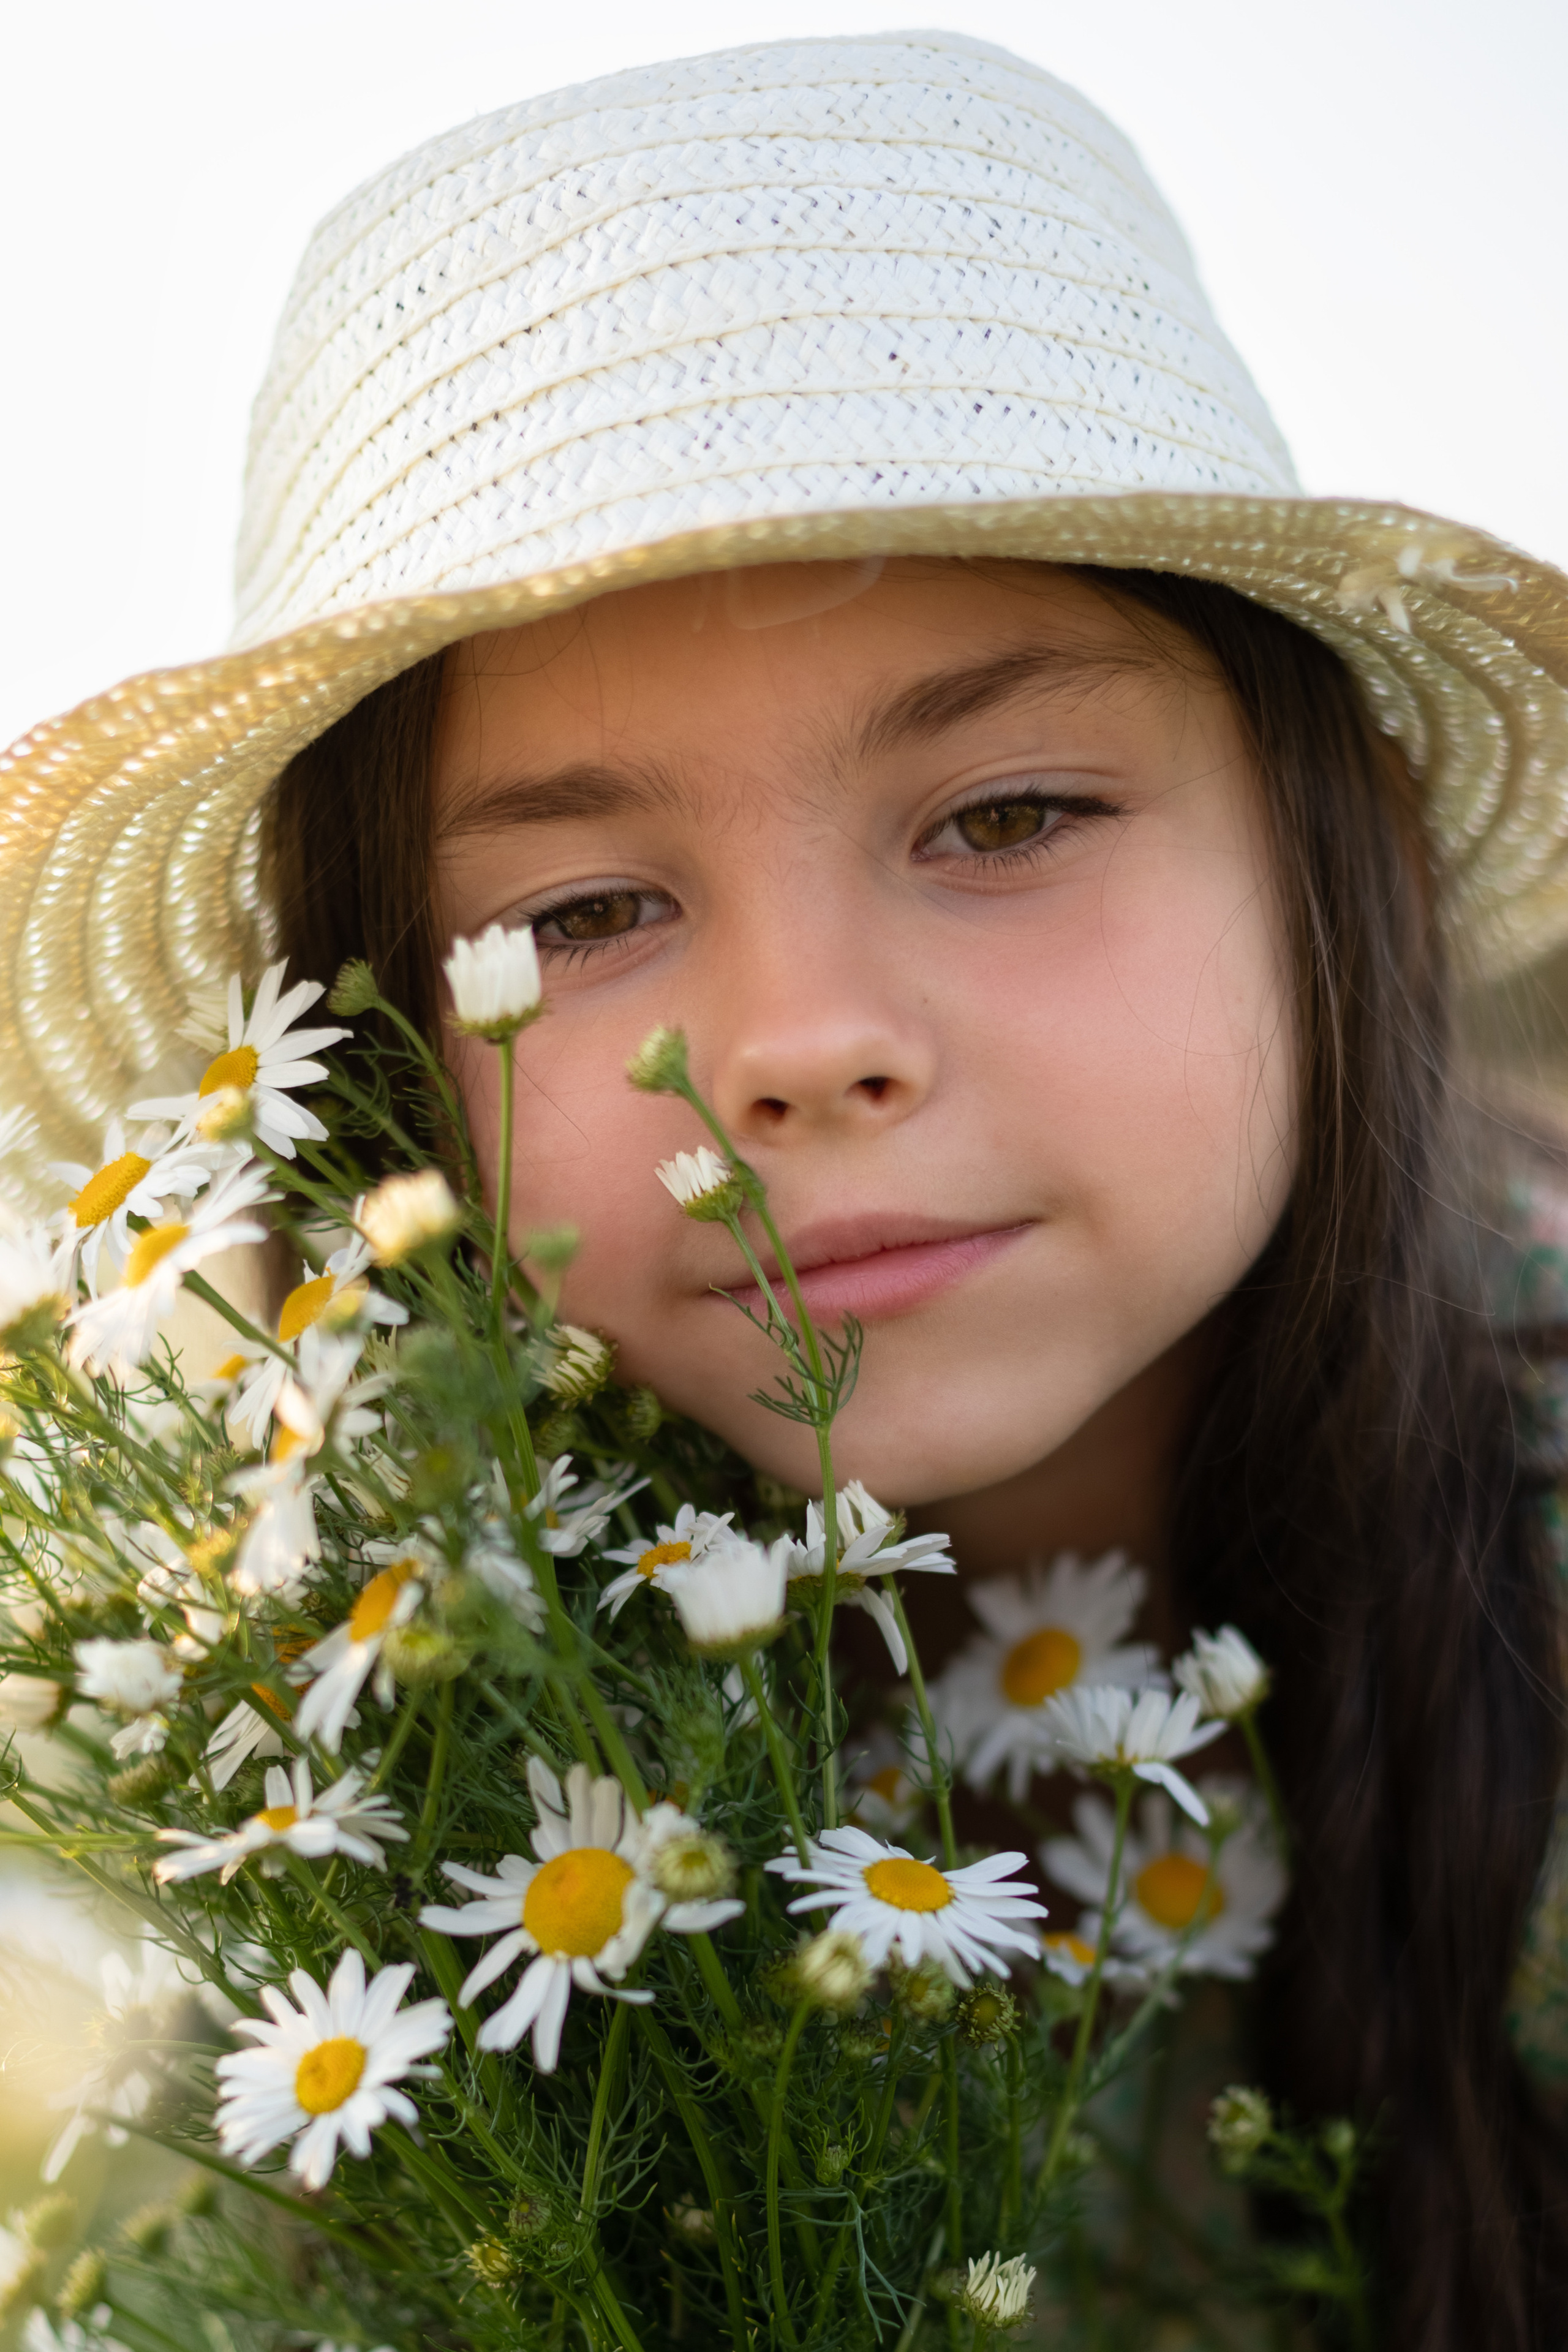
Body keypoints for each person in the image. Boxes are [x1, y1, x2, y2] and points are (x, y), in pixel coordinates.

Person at [4, 30, 1568, 2344]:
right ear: (391, 1067)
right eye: (574, 922)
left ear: (1345, 870)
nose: (798, 1045)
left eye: (1008, 818)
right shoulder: (268, 1784)